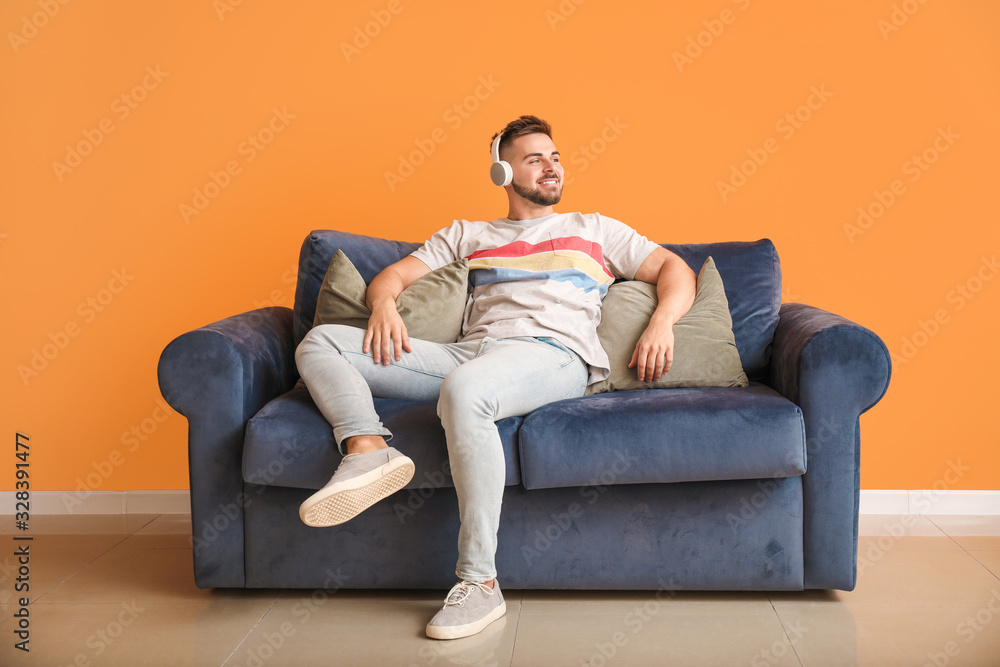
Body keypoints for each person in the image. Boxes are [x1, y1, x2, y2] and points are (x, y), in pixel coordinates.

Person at [294, 114, 696, 640]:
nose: (552, 167)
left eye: (554, 156)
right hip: (471, 354)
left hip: (552, 353)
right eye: (535, 159)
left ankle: (480, 583)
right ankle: (368, 449)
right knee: (322, 341)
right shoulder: (468, 235)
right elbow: (393, 276)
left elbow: (675, 270)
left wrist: (662, 323)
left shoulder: (596, 229)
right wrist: (384, 306)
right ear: (502, 172)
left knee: (467, 392)